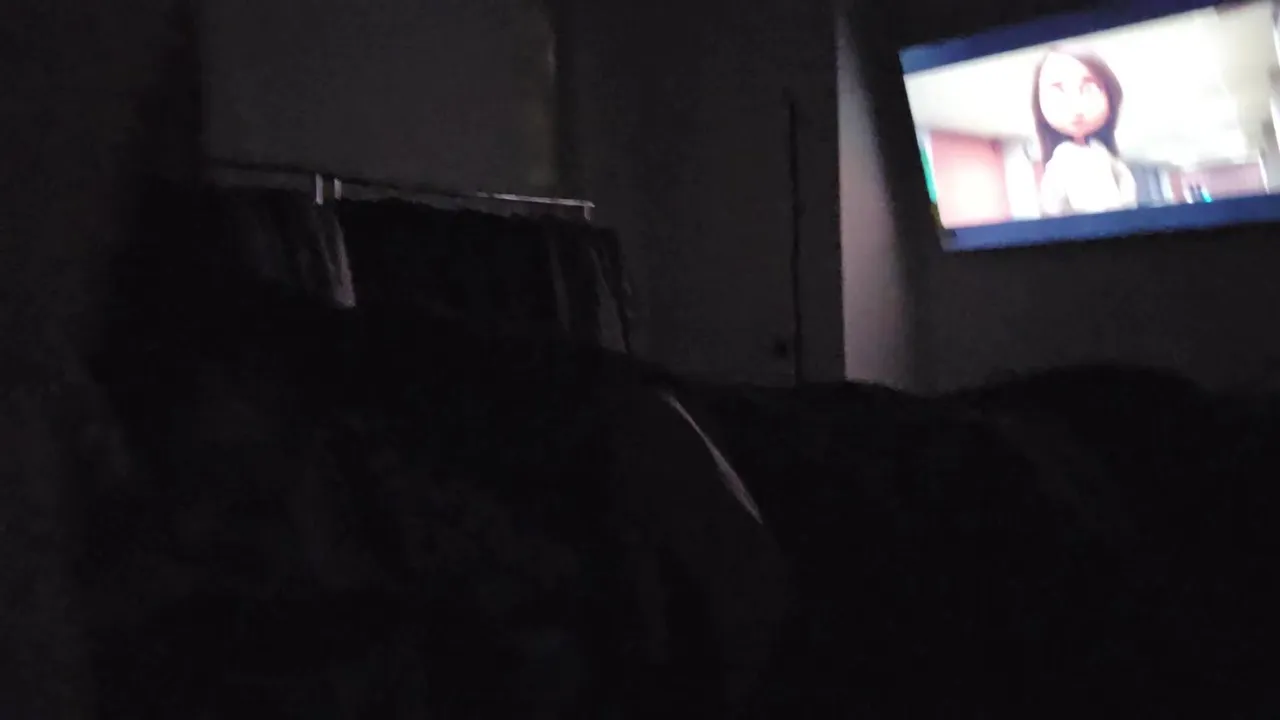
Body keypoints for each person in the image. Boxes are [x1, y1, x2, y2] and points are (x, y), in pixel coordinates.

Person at [1032, 48, 1138, 216]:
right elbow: (1052, 205)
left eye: (1090, 89)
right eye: (1058, 91)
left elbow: (1127, 191)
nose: (1076, 106)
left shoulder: (1104, 153)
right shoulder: (1062, 157)